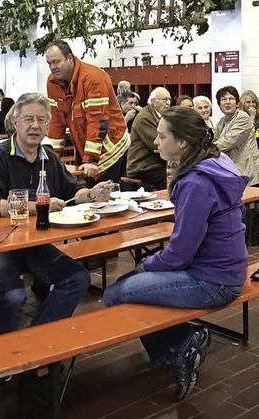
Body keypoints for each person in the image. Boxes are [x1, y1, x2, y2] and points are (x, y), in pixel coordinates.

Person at [103, 106, 248, 401]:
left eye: (161, 136)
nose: (155, 142)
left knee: (115, 294)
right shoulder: (216, 162)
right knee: (137, 286)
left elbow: (180, 253)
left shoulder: (195, 182)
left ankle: (180, 346)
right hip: (230, 268)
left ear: (182, 142)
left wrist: (146, 264)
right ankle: (182, 341)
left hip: (213, 281)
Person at [0, 92, 112, 337]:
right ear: (14, 122)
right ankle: (2, 356)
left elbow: (74, 190)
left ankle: (37, 338)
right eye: (28, 119)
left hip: (35, 244)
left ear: (48, 125)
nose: (35, 126)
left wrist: (91, 194)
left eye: (41, 120)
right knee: (14, 295)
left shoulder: (50, 158)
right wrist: (38, 205)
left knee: (78, 278)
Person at [46, 39, 130, 184]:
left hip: (111, 150)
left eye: (56, 62)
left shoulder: (94, 79)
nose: (52, 67)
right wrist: (52, 159)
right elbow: (56, 123)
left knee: (105, 199)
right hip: (85, 147)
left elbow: (98, 121)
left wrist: (91, 158)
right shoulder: (52, 82)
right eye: (49, 63)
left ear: (70, 58)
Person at [126, 87, 171, 190]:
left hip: (156, 164)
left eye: (169, 99)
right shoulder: (145, 117)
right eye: (164, 100)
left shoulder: (160, 116)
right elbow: (157, 143)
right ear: (153, 102)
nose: (168, 103)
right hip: (143, 167)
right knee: (170, 180)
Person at [214, 86, 259, 186]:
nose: (227, 102)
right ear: (219, 105)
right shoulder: (222, 121)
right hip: (234, 170)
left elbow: (228, 142)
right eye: (223, 99)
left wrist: (203, 151)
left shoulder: (242, 117)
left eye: (231, 99)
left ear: (237, 103)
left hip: (247, 171)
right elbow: (214, 139)